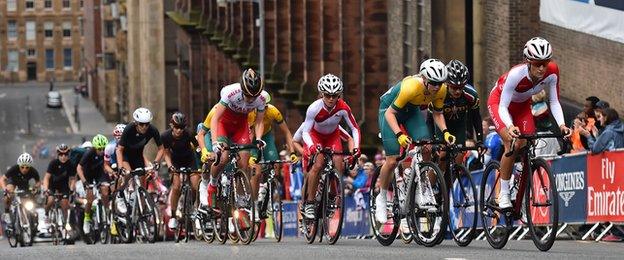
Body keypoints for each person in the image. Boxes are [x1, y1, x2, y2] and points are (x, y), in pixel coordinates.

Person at [487, 37, 570, 210]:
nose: (542, 68)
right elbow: (502, 106)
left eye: (545, 63)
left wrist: (562, 125)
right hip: (500, 104)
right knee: (511, 143)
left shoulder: (553, 71)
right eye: (537, 63)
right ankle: (503, 193)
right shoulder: (516, 74)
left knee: (527, 142)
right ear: (528, 62)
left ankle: (519, 178)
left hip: (523, 106)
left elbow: (554, 102)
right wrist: (510, 126)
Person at [374, 58, 456, 223]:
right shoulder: (411, 87)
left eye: (440, 83)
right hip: (389, 110)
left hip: (411, 111)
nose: (436, 87)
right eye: (433, 83)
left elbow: (438, 113)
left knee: (426, 146)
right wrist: (399, 134)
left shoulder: (441, 90)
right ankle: (381, 198)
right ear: (424, 79)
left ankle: (421, 188)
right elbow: (390, 114)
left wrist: (446, 132)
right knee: (392, 160)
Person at [203, 68, 268, 213]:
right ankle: (212, 184)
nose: (251, 99)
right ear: (242, 89)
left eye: (254, 96)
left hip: (240, 126)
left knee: (244, 163)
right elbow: (215, 118)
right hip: (223, 124)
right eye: (248, 95)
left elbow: (259, 121)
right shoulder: (230, 93)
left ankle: (240, 200)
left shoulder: (262, 98)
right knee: (223, 158)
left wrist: (258, 139)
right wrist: (215, 143)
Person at [300, 73, 361, 219]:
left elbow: (354, 128)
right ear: (322, 94)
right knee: (318, 164)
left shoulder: (343, 107)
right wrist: (312, 146)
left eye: (335, 95)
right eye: (327, 95)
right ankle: (309, 203)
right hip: (315, 136)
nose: (331, 99)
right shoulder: (314, 108)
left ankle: (332, 197)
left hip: (333, 136)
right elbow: (305, 132)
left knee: (338, 166)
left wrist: (356, 149)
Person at [247, 92, 298, 220]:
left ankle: (266, 190)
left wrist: (292, 153)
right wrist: (250, 154)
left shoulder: (273, 111)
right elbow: (249, 136)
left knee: (274, 166)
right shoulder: (249, 113)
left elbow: (286, 133)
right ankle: (253, 205)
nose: (262, 108)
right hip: (252, 138)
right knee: (257, 171)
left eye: (265, 106)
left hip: (267, 136)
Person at [434, 59, 484, 175]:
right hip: (441, 126)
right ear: (446, 84)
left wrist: (480, 140)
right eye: (453, 87)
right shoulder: (439, 93)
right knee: (442, 154)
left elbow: (476, 118)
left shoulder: (471, 95)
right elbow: (431, 118)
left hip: (458, 126)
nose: (457, 91)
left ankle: (450, 185)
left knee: (460, 157)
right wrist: (433, 142)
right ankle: (433, 187)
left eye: (461, 87)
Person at [161, 112, 200, 229]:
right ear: (172, 126)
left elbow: (198, 148)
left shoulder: (188, 134)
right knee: (176, 186)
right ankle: (173, 216)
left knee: (195, 185)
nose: (179, 130)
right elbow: (166, 153)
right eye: (177, 127)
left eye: (182, 127)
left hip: (189, 159)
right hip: (175, 161)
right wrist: (170, 166)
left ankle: (192, 208)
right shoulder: (165, 136)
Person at [116, 107, 164, 176]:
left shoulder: (153, 130)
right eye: (141, 124)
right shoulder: (129, 129)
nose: (144, 127)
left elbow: (161, 149)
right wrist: (120, 167)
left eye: (147, 124)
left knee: (146, 178)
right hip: (125, 155)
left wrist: (156, 162)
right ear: (136, 123)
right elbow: (119, 150)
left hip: (138, 155)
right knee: (128, 177)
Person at [77, 134, 110, 234]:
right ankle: (86, 219)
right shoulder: (89, 153)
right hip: (88, 175)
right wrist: (84, 182)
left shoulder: (105, 152)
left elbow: (107, 164)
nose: (101, 151)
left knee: (105, 192)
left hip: (99, 173)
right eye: (99, 149)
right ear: (95, 148)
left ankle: (107, 212)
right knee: (90, 198)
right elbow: (79, 168)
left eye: (103, 148)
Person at [1, 153, 40, 225]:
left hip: (24, 185)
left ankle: (32, 215)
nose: (24, 169)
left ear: (30, 166)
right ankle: (6, 213)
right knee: (8, 193)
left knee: (30, 198)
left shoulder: (33, 171)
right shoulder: (14, 168)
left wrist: (36, 188)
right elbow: (2, 179)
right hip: (13, 183)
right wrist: (5, 189)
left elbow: (38, 182)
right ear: (19, 165)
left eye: (27, 167)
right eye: (22, 167)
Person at [42, 144, 76, 222]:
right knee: (50, 200)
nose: (63, 156)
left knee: (65, 204)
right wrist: (46, 189)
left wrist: (71, 188)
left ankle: (65, 223)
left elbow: (73, 179)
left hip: (63, 185)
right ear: (58, 154)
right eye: (61, 154)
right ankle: (46, 214)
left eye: (65, 154)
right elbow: (46, 178)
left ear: (68, 155)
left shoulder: (70, 164)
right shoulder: (53, 163)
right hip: (52, 185)